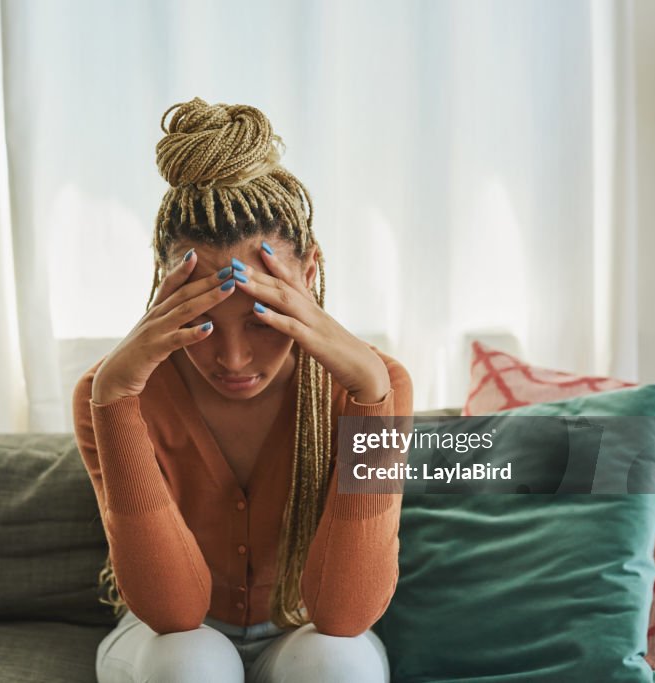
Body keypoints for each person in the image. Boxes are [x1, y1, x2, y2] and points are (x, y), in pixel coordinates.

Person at [72, 97, 413, 683]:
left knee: (337, 664)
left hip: (307, 635)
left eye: (261, 321)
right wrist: (117, 399)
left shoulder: (372, 386)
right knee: (189, 662)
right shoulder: (110, 391)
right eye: (203, 322)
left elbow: (345, 612)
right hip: (164, 640)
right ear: (165, 284)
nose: (233, 360)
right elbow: (173, 614)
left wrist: (370, 397)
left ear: (307, 276)